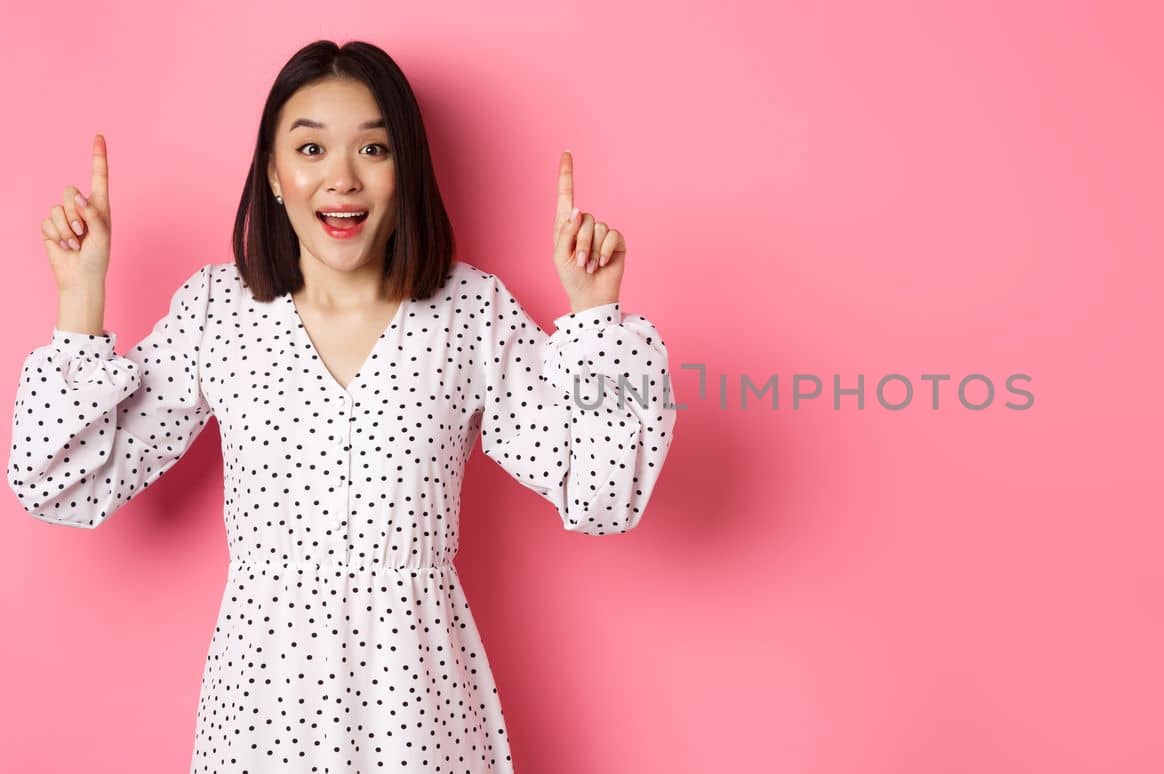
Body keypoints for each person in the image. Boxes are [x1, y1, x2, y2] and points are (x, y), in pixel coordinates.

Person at [10, 39, 676, 772]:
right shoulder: (217, 313)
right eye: (311, 148)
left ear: (406, 169)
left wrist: (596, 322)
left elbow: (605, 493)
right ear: (272, 171)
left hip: (420, 710)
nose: (342, 179)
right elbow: (58, 484)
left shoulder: (469, 313)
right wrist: (80, 299)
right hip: (262, 711)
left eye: (374, 148)